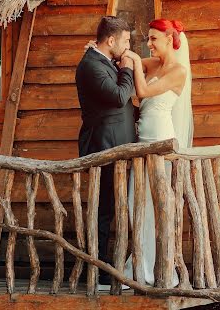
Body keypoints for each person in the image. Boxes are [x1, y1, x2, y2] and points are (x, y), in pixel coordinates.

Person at [122, 18, 193, 286]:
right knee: (135, 201)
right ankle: (140, 263)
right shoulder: (152, 64)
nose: (149, 44)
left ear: (169, 39)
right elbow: (128, 63)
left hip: (161, 140)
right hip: (142, 140)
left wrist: (133, 61)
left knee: (155, 205)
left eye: (153, 39)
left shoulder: (178, 71)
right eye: (148, 39)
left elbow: (142, 90)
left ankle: (156, 268)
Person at [75, 16, 137, 287]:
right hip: (104, 146)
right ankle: (97, 268)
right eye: (125, 41)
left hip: (117, 147)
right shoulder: (90, 65)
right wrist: (127, 70)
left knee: (110, 209)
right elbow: (117, 96)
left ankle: (104, 264)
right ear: (111, 40)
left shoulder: (103, 61)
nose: (127, 47)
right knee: (103, 211)